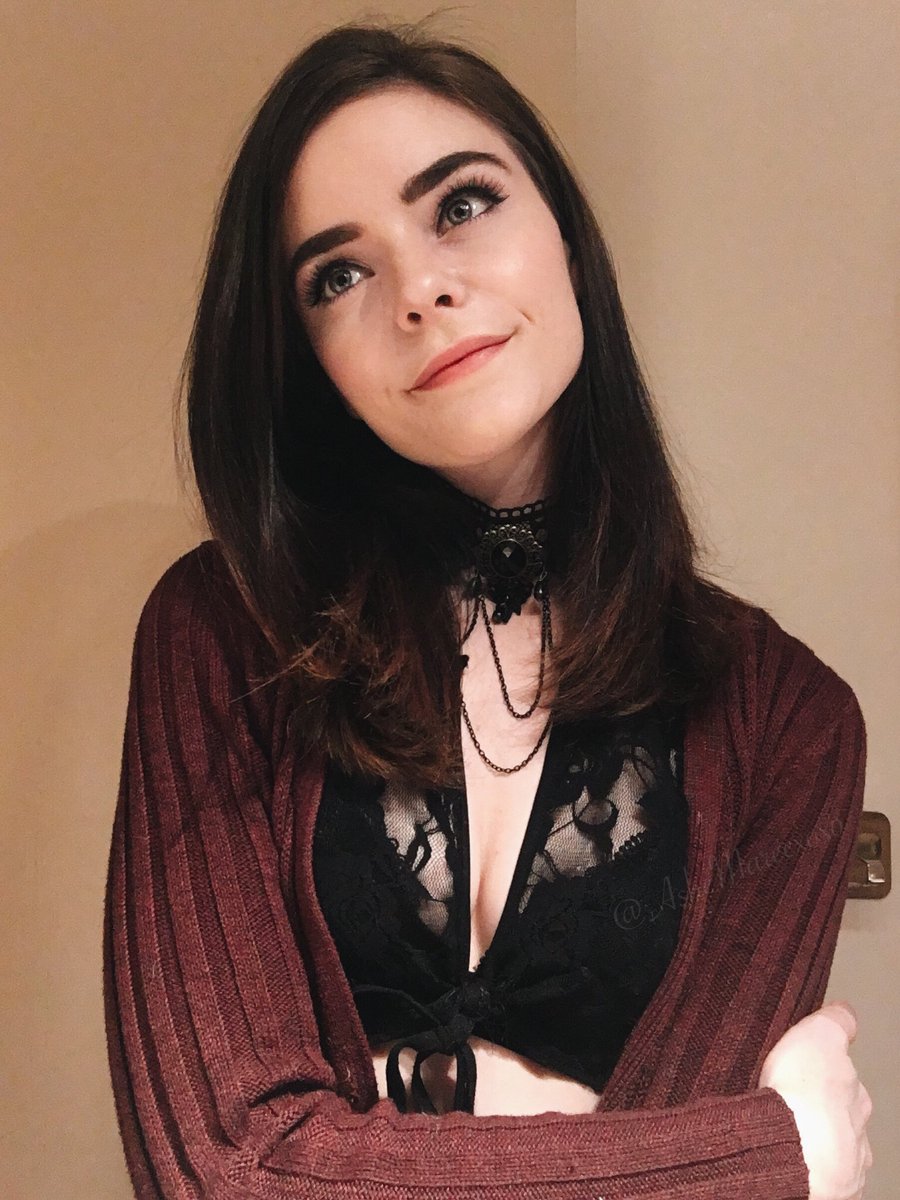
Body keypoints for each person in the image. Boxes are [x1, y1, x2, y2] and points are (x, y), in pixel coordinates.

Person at [103, 16, 873, 1200]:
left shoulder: (790, 720)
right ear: (309, 361)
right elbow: (225, 1170)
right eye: (338, 275)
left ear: (565, 230)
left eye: (460, 204)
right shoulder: (221, 632)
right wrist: (771, 1156)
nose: (421, 290)